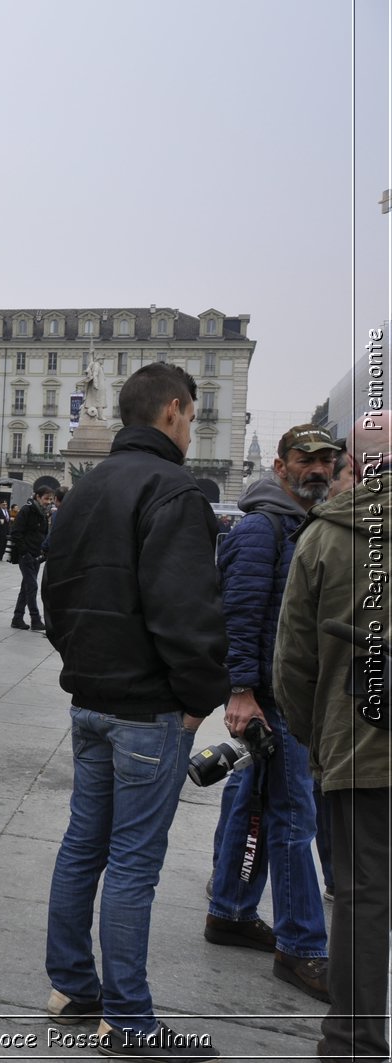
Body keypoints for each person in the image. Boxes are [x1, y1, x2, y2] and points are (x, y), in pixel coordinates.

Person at [41, 362, 228, 1060]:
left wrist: (84, 665)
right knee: (132, 864)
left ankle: (70, 987)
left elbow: (53, 592)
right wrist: (195, 697)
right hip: (149, 707)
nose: (193, 424)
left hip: (90, 699)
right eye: (193, 411)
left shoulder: (86, 489)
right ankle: (127, 1019)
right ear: (174, 410)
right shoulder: (174, 488)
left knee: (83, 846)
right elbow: (188, 608)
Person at [205, 424, 339, 1004]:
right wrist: (241, 691)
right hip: (271, 695)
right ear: (281, 466)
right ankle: (302, 949)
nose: (317, 469)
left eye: (326, 460)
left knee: (251, 801)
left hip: (289, 695)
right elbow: (238, 614)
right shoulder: (263, 526)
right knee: (292, 819)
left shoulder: (302, 524)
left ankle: (230, 911)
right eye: (305, 459)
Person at [276, 410, 392, 1062]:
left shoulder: (323, 538)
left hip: (360, 743)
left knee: (362, 895)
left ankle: (354, 1039)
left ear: (355, 467)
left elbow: (291, 661)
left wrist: (314, 737)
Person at [9, 487, 55, 631]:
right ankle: (35, 619)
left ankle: (17, 618)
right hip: (26, 555)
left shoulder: (43, 512)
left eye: (50, 499)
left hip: (36, 556)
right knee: (32, 586)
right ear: (37, 497)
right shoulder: (27, 510)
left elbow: (43, 533)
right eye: (46, 498)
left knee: (26, 588)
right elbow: (16, 532)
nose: (48, 502)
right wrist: (24, 553)